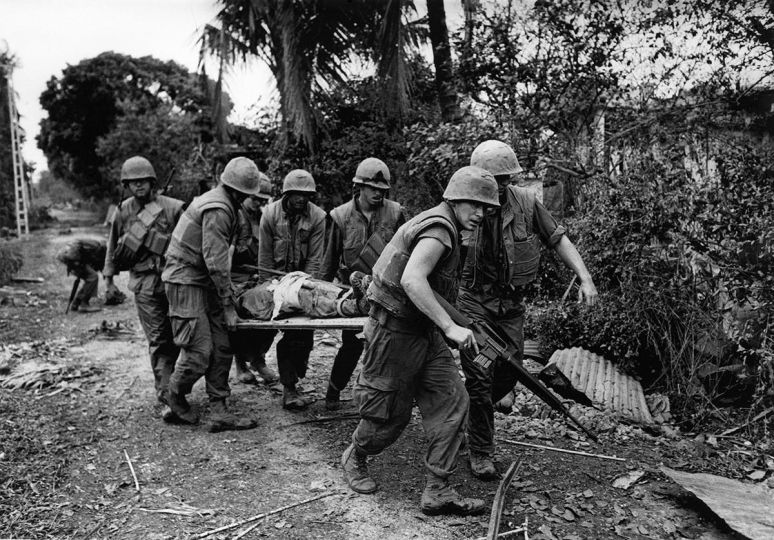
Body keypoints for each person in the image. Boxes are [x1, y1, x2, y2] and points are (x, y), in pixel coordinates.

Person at [341, 166, 499, 516]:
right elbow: (413, 280)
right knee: (389, 417)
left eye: (485, 208)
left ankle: (438, 489)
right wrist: (450, 327)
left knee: (453, 401)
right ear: (455, 200)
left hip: (423, 331)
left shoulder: (451, 227)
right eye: (474, 205)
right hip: (393, 332)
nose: (480, 214)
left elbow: (434, 287)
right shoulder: (439, 229)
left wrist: (452, 323)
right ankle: (356, 455)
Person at [459, 140, 598, 480]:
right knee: (480, 374)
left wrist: (585, 278)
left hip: (510, 306)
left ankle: (458, 413)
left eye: (507, 178)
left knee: (511, 372)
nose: (501, 185)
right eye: (495, 178)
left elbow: (558, 239)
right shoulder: (462, 203)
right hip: (473, 303)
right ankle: (481, 450)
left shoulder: (525, 202)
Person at [162, 157, 263, 432]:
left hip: (205, 278)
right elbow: (216, 261)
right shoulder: (219, 208)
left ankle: (219, 408)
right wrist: (229, 304)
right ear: (239, 191)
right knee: (199, 349)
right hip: (185, 278)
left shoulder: (228, 204)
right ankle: (173, 394)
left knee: (222, 344)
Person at [321, 157, 405, 410]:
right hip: (355, 294)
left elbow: (406, 253)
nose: (378, 193)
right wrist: (323, 292)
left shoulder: (396, 213)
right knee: (352, 343)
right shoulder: (340, 216)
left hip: (387, 291)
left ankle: (384, 400)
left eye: (382, 189)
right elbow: (328, 259)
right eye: (372, 188)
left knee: (390, 345)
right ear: (359, 187)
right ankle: (333, 394)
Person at [103, 156, 184, 420]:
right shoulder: (123, 211)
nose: (138, 186)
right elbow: (112, 246)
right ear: (126, 185)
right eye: (133, 182)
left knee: (180, 336)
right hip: (144, 284)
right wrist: (108, 280)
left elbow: (188, 242)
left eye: (143, 181)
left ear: (152, 182)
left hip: (172, 281)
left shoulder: (172, 208)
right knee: (159, 340)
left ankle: (177, 387)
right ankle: (168, 396)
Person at [256, 169, 326, 410]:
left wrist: (304, 288)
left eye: (306, 195)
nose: (301, 199)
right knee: (263, 331)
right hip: (273, 284)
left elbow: (315, 259)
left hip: (301, 283)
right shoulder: (269, 215)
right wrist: (268, 289)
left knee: (301, 336)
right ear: (286, 194)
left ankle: (291, 383)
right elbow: (264, 257)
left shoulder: (318, 217)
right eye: (296, 194)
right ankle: (274, 376)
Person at [229, 172, 279, 385]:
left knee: (275, 309)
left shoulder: (265, 217)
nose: (257, 203)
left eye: (261, 200)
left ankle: (258, 360)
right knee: (241, 317)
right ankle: (241, 363)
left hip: (260, 276)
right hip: (236, 277)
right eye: (254, 198)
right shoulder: (233, 216)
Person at [57, 238, 106, 313]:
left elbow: (99, 266)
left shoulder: (98, 251)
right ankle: (84, 304)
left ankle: (76, 303)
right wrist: (77, 260)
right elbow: (76, 244)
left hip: (69, 255)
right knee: (93, 277)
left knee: (90, 277)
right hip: (70, 254)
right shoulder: (96, 246)